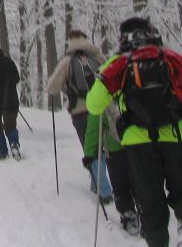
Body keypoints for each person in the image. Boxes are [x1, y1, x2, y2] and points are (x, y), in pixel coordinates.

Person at [86, 17, 182, 247]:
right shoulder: (172, 59)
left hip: (138, 141)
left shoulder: (118, 63)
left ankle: (157, 242)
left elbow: (94, 105)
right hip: (179, 136)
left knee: (150, 199)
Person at [46, 29, 138, 233]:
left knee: (92, 147)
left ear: (70, 41)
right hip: (104, 108)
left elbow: (51, 87)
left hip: (81, 111)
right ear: (86, 39)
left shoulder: (68, 61)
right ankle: (114, 187)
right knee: (110, 147)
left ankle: (104, 189)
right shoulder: (97, 56)